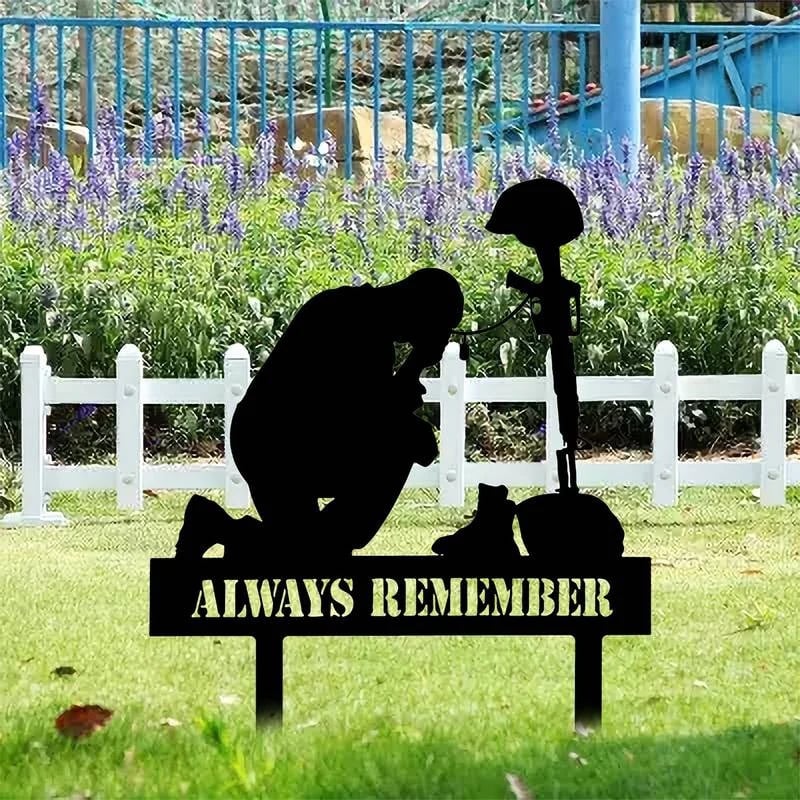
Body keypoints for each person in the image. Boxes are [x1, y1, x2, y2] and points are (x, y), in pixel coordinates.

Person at [176, 267, 464, 561]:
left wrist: (414, 367)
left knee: (310, 550)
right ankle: (219, 527)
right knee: (324, 545)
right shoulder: (359, 325)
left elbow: (367, 411)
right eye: (439, 326)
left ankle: (217, 526)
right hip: (278, 446)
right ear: (421, 310)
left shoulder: (356, 315)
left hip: (271, 441)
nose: (437, 336)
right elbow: (365, 417)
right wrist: (415, 368)